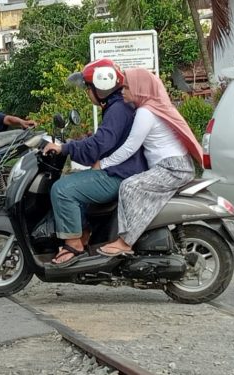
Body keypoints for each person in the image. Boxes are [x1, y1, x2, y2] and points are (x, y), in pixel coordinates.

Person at [41, 59, 148, 267]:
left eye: (88, 88)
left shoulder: (118, 109)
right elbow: (106, 141)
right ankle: (85, 235)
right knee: (76, 182)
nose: (87, 92)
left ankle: (73, 244)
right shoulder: (116, 107)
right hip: (122, 170)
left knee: (62, 189)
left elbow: (100, 143)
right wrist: (76, 143)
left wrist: (66, 148)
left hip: (120, 175)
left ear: (100, 87)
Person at [95, 68, 203, 256]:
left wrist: (103, 164)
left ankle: (125, 242)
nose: (122, 91)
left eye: (127, 87)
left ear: (140, 88)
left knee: (129, 187)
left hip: (172, 168)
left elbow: (130, 147)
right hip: (175, 165)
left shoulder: (146, 112)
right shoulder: (152, 107)